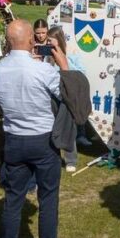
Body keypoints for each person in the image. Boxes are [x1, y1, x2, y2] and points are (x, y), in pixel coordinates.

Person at [0, 19, 79, 238]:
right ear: (32, 40)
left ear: (7, 41)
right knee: (48, 201)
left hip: (14, 140)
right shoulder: (43, 71)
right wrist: (61, 60)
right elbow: (68, 93)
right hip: (42, 140)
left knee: (12, 200)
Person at [46, 26, 80, 172]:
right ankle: (54, 156)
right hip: (52, 96)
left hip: (67, 96)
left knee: (67, 127)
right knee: (52, 127)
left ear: (58, 40)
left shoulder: (72, 54)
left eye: (50, 40)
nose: (48, 43)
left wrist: (64, 63)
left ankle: (70, 160)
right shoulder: (47, 56)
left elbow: (80, 73)